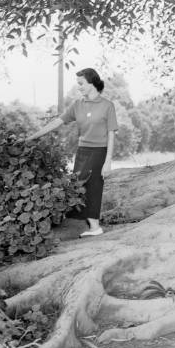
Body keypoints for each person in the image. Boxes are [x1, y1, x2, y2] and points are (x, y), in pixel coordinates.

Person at [26, 68, 117, 237]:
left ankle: (95, 227)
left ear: (92, 83)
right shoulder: (77, 105)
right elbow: (57, 122)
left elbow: (111, 133)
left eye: (81, 83)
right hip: (82, 151)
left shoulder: (107, 106)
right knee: (77, 186)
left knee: (94, 187)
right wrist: (32, 137)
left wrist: (108, 161)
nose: (79, 87)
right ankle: (85, 225)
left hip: (99, 152)